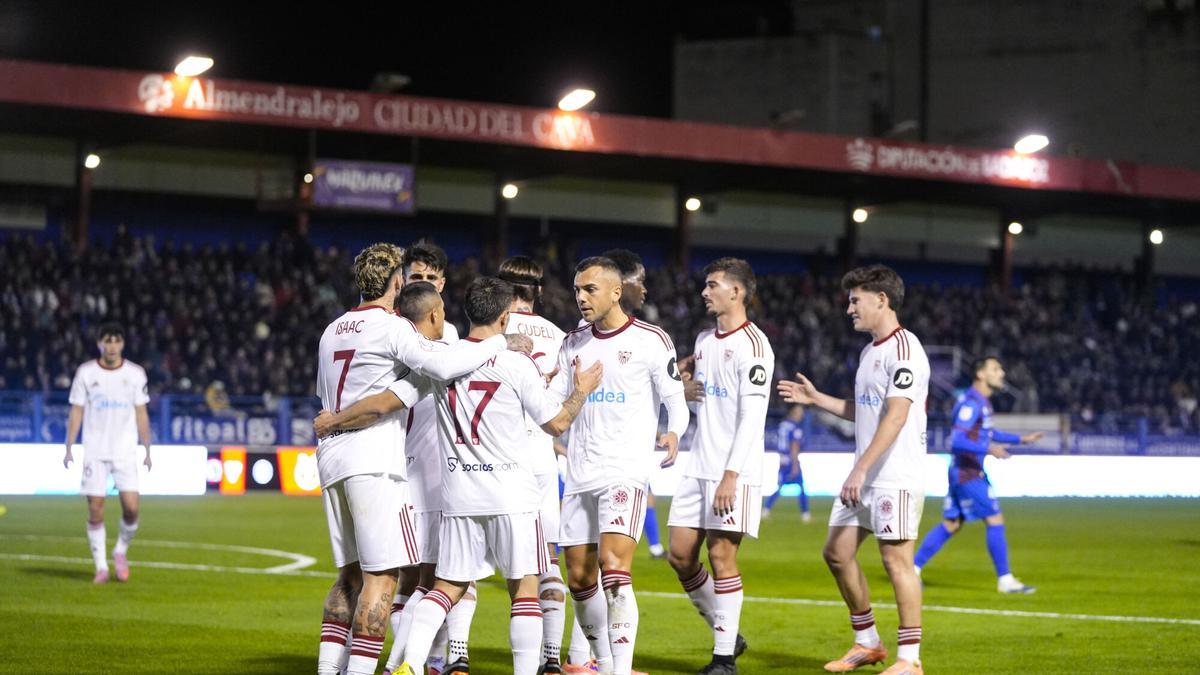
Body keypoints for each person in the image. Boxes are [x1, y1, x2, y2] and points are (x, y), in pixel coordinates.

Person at [327, 277, 603, 675]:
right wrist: (581, 390)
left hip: (458, 495)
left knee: (446, 588)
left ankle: (411, 665)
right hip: (511, 494)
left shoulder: (443, 359)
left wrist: (337, 419)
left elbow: (391, 400)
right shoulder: (515, 362)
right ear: (506, 316)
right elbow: (557, 423)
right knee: (524, 589)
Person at [313, 244, 528, 675]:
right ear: (396, 282)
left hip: (331, 459)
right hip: (372, 460)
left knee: (349, 577)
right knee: (382, 580)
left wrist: (340, 417)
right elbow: (444, 366)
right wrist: (501, 341)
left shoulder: (333, 329)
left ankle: (327, 670)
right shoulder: (392, 328)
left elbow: (340, 398)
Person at [778, 264, 929, 675]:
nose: (849, 308)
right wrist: (817, 399)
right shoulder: (870, 352)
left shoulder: (906, 350)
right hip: (867, 475)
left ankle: (910, 660)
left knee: (897, 561)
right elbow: (863, 411)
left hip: (893, 475)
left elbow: (895, 418)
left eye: (855, 299)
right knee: (837, 553)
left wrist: (860, 469)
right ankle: (868, 642)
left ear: (882, 300)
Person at [554, 256, 689, 675]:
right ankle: (606, 663)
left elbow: (676, 401)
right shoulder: (573, 342)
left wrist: (673, 433)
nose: (580, 297)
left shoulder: (652, 340)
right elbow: (556, 403)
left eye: (589, 289)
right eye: (577, 290)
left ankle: (618, 668)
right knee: (578, 579)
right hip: (579, 474)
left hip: (624, 472)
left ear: (616, 291)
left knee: (614, 569)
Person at [668, 257, 772, 674]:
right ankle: (726, 629)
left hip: (735, 470)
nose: (704, 292)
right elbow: (704, 397)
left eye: (712, 285)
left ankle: (724, 658)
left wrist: (731, 475)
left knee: (721, 556)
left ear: (737, 292)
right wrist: (683, 383)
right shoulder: (704, 341)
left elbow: (752, 417)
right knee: (679, 555)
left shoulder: (756, 346)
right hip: (699, 465)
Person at [386, 241, 477, 675]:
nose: (422, 284)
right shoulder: (392, 333)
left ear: (442, 284)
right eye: (415, 276)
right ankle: (406, 662)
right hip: (399, 465)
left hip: (440, 467)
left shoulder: (451, 335)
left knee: (445, 571)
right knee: (407, 575)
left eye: (430, 278)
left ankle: (442, 657)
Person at [498, 256, 573, 674]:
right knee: (547, 562)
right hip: (543, 458)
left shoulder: (492, 333)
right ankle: (550, 659)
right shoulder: (560, 337)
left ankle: (451, 656)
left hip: (498, 459)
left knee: (469, 570)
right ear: (538, 291)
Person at [913, 356, 1042, 593]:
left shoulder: (981, 402)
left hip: (963, 471)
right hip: (968, 473)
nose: (1001, 373)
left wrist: (1021, 439)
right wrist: (988, 449)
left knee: (951, 524)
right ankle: (1005, 580)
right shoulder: (972, 403)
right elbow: (957, 440)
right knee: (995, 518)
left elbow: (988, 432)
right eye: (996, 369)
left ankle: (913, 569)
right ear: (981, 374)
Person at [63, 322, 152, 584]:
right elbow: (77, 410)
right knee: (96, 510)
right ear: (99, 343)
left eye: (117, 340)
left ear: (122, 344)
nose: (112, 346)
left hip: (124, 451)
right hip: (95, 451)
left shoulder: (135, 374)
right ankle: (101, 567)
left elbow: (141, 412)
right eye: (107, 340)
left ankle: (120, 551)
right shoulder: (86, 373)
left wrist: (147, 449)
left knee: (132, 508)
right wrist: (68, 446)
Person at [763, 405, 811, 522]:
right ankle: (805, 514)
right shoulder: (795, 428)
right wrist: (795, 465)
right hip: (790, 460)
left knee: (780, 487)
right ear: (794, 412)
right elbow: (794, 446)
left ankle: (766, 510)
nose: (802, 415)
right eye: (800, 412)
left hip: (783, 459)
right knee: (801, 487)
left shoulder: (782, 425)